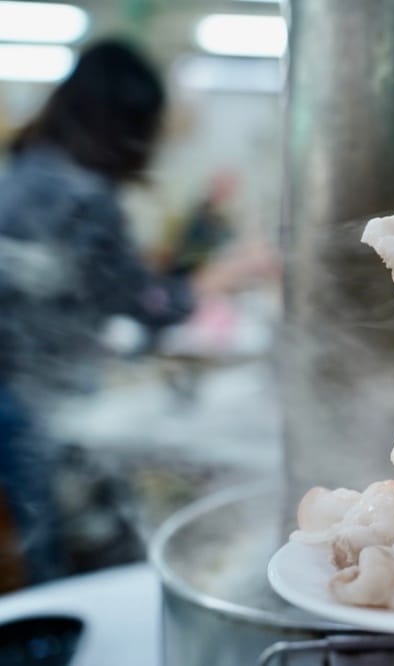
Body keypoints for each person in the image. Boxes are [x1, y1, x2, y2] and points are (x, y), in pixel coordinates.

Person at [0, 39, 249, 585]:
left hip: (17, 392)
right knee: (80, 554)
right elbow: (143, 303)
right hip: (47, 406)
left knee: (45, 537)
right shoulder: (82, 197)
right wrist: (219, 278)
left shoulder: (26, 172)